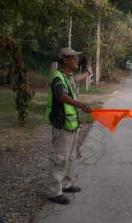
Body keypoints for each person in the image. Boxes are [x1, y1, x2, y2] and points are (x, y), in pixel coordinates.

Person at [44, 47, 92, 205]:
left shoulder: (69, 76)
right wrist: (80, 104)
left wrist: (88, 73)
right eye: (74, 57)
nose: (77, 60)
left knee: (70, 157)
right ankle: (54, 192)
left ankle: (66, 184)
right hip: (61, 123)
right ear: (65, 59)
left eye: (77, 57)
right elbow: (61, 94)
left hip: (71, 122)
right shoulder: (58, 77)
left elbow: (76, 79)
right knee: (59, 158)